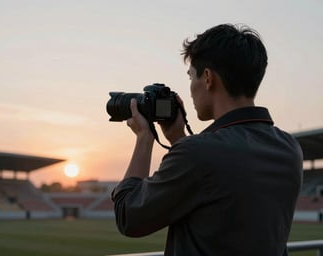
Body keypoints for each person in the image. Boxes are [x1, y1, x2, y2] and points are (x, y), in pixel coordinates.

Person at [111, 24, 303, 256]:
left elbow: (128, 217)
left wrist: (145, 138)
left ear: (208, 78)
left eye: (191, 76)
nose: (191, 89)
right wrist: (177, 138)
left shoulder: (197, 154)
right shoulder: (288, 147)